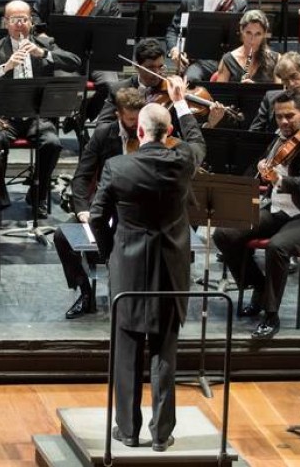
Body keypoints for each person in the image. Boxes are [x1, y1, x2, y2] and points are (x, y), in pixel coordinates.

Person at [89, 75, 204, 452]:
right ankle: (161, 434)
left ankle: (127, 429)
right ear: (168, 130)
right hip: (172, 265)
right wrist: (181, 101)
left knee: (126, 350)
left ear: (139, 129)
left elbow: (95, 216)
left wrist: (109, 254)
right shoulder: (183, 160)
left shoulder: (118, 166)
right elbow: (198, 142)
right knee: (164, 351)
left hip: (129, 266)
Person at [212, 91, 300, 340]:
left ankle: (271, 315)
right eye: (279, 117)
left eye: (290, 115)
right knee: (224, 234)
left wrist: (279, 179)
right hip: (279, 210)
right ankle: (258, 287)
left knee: (277, 247)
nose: (284, 121)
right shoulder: (279, 139)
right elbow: (268, 164)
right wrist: (263, 166)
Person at [55, 88, 146, 319]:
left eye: (140, 118)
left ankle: (139, 295)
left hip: (140, 210)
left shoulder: (151, 133)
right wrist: (83, 209)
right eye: (131, 119)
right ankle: (85, 293)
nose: (136, 125)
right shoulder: (104, 134)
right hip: (107, 206)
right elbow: (82, 176)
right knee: (61, 236)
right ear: (118, 114)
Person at [0, 0, 82, 209]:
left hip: (38, 116)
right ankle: (0, 196)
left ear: (31, 22)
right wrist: (6, 67)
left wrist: (44, 53)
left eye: (24, 19)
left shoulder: (45, 44)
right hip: (5, 118)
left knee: (52, 143)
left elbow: (75, 61)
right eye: (15, 20)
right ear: (5, 23)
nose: (20, 24)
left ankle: (38, 194)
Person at [34, 0, 122, 119]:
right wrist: (42, 36)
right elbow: (36, 16)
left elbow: (116, 32)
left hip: (96, 59)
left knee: (112, 86)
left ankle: (82, 116)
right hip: (62, 56)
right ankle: (58, 122)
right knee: (61, 84)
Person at [164, 0, 248, 81]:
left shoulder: (239, 4)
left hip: (229, 61)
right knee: (190, 80)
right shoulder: (189, 1)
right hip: (199, 61)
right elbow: (173, 30)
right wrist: (174, 50)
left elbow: (244, 37)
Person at [96, 38, 169, 125]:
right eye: (151, 67)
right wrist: (125, 124)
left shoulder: (169, 91)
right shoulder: (118, 89)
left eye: (160, 66)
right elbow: (102, 125)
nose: (157, 73)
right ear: (136, 66)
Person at [211, 9, 280, 84]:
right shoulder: (228, 60)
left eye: (258, 34)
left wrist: (254, 88)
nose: (252, 40)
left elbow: (280, 93)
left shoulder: (276, 59)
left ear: (265, 34)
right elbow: (221, 93)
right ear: (241, 30)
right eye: (248, 33)